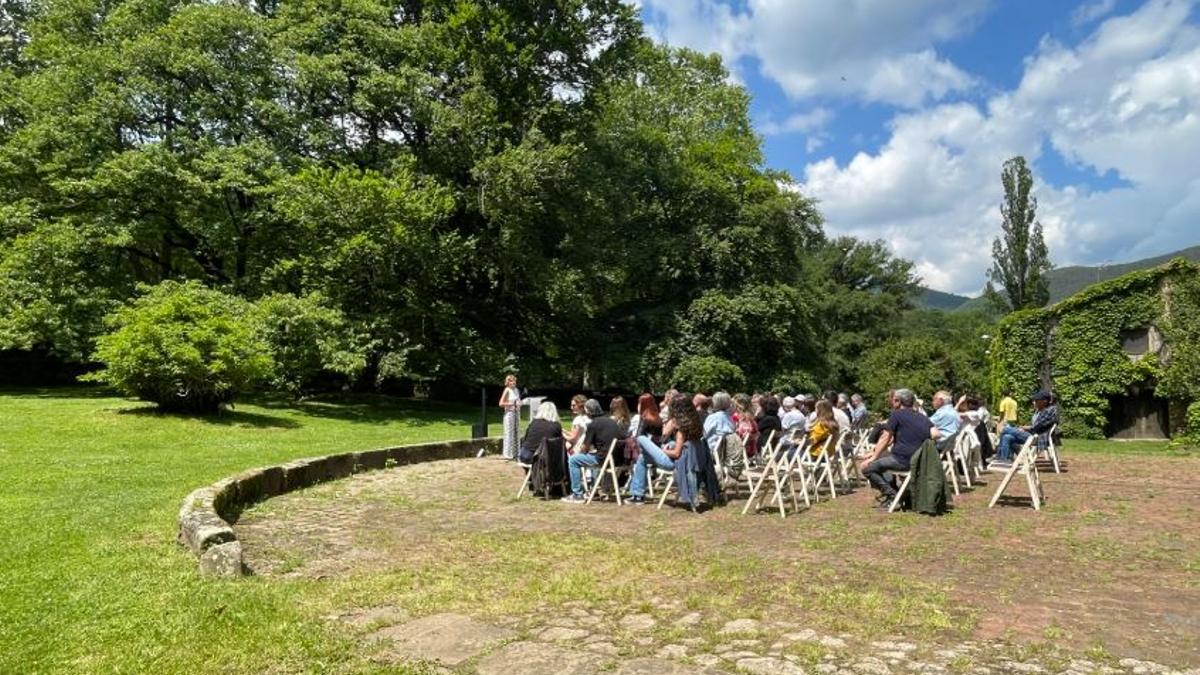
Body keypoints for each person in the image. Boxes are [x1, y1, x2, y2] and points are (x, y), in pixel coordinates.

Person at [858, 389, 940, 508]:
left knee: (867, 468)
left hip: (902, 461)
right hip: (919, 461)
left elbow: (886, 437)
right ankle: (899, 495)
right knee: (883, 463)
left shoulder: (896, 414)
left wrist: (874, 457)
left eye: (894, 400)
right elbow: (936, 434)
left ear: (898, 401)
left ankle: (893, 496)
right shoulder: (922, 417)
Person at [628, 394, 702, 504]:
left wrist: (663, 450)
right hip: (687, 461)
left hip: (674, 463)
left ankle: (638, 495)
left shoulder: (681, 429)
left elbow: (675, 452)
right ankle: (638, 495)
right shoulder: (695, 424)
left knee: (640, 438)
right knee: (643, 458)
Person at [562, 399, 626, 503]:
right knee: (590, 456)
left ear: (588, 412)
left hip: (604, 459)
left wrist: (580, 451)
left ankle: (577, 494)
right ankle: (594, 489)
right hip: (618, 459)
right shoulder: (612, 422)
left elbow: (585, 447)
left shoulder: (593, 425)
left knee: (573, 460)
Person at [993, 390, 1060, 467]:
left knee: (1005, 429)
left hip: (1038, 437)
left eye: (1036, 400)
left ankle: (998, 455)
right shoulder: (1042, 411)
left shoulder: (1048, 411)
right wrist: (1023, 428)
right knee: (1006, 437)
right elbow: (1036, 425)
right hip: (1033, 435)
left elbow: (1036, 427)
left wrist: (1023, 428)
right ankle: (1005, 460)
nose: (1034, 402)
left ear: (1044, 401)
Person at [703, 391, 736, 463]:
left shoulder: (712, 417)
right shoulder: (729, 418)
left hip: (714, 453)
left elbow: (703, 435)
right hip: (728, 452)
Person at [498, 374, 521, 460]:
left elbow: (518, 400)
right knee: (509, 433)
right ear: (508, 382)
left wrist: (519, 403)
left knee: (517, 432)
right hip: (509, 413)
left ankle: (517, 453)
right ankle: (508, 454)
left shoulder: (516, 390)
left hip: (517, 412)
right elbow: (501, 403)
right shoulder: (507, 390)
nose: (513, 382)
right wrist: (511, 404)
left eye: (514, 380)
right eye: (511, 381)